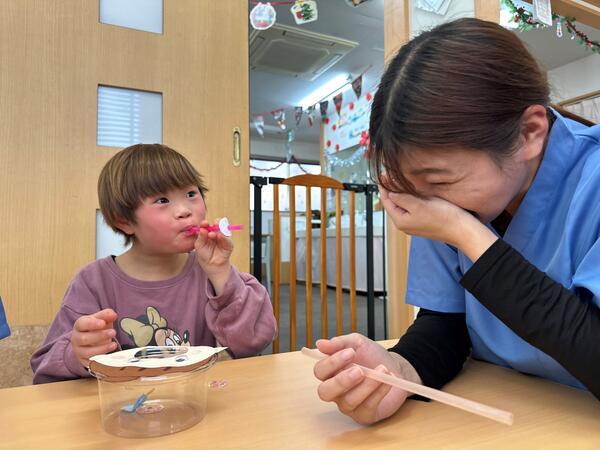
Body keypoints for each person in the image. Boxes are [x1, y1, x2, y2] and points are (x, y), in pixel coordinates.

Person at [312, 17, 600, 425]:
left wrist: (465, 233)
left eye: (440, 180)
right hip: (495, 414)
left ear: (529, 132)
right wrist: (399, 371)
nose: (425, 203)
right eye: (413, 184)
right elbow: (447, 323)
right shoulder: (441, 195)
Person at [31, 144, 277, 383]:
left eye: (191, 194)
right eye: (162, 200)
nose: (184, 210)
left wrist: (221, 273)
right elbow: (45, 368)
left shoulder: (210, 274)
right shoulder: (93, 282)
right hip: (125, 412)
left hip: (194, 406)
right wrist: (78, 354)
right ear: (124, 221)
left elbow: (253, 342)